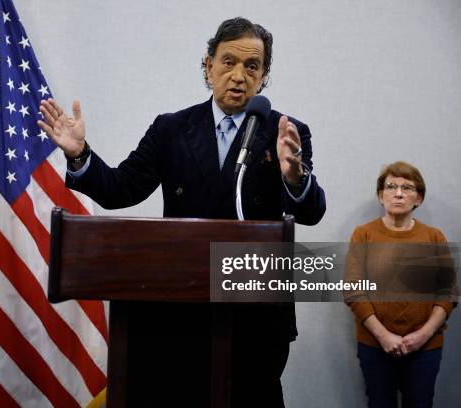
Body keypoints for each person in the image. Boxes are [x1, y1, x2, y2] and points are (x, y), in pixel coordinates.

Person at [38, 17, 326, 407]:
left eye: (252, 66)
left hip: (256, 316)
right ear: (208, 66)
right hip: (178, 313)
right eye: (228, 62)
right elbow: (121, 189)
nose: (239, 75)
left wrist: (295, 178)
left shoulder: (285, 131)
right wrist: (79, 154)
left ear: (264, 76)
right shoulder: (171, 128)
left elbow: (311, 212)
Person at [344, 161, 457, 408]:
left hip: (426, 348)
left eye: (407, 188)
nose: (398, 193)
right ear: (380, 195)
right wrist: (383, 336)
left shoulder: (434, 237)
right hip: (375, 345)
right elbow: (353, 290)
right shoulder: (363, 234)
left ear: (419, 199)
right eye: (391, 186)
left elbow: (448, 292)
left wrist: (423, 335)